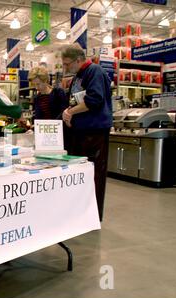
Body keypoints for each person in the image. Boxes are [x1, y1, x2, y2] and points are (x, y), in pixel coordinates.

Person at [61, 44, 113, 222]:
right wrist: (68, 111)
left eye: (67, 64)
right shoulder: (77, 76)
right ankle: (81, 212)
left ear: (78, 60)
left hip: (94, 133)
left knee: (94, 174)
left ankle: (92, 216)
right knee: (80, 175)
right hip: (80, 133)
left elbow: (94, 100)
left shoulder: (94, 71)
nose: (65, 68)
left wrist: (71, 112)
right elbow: (76, 101)